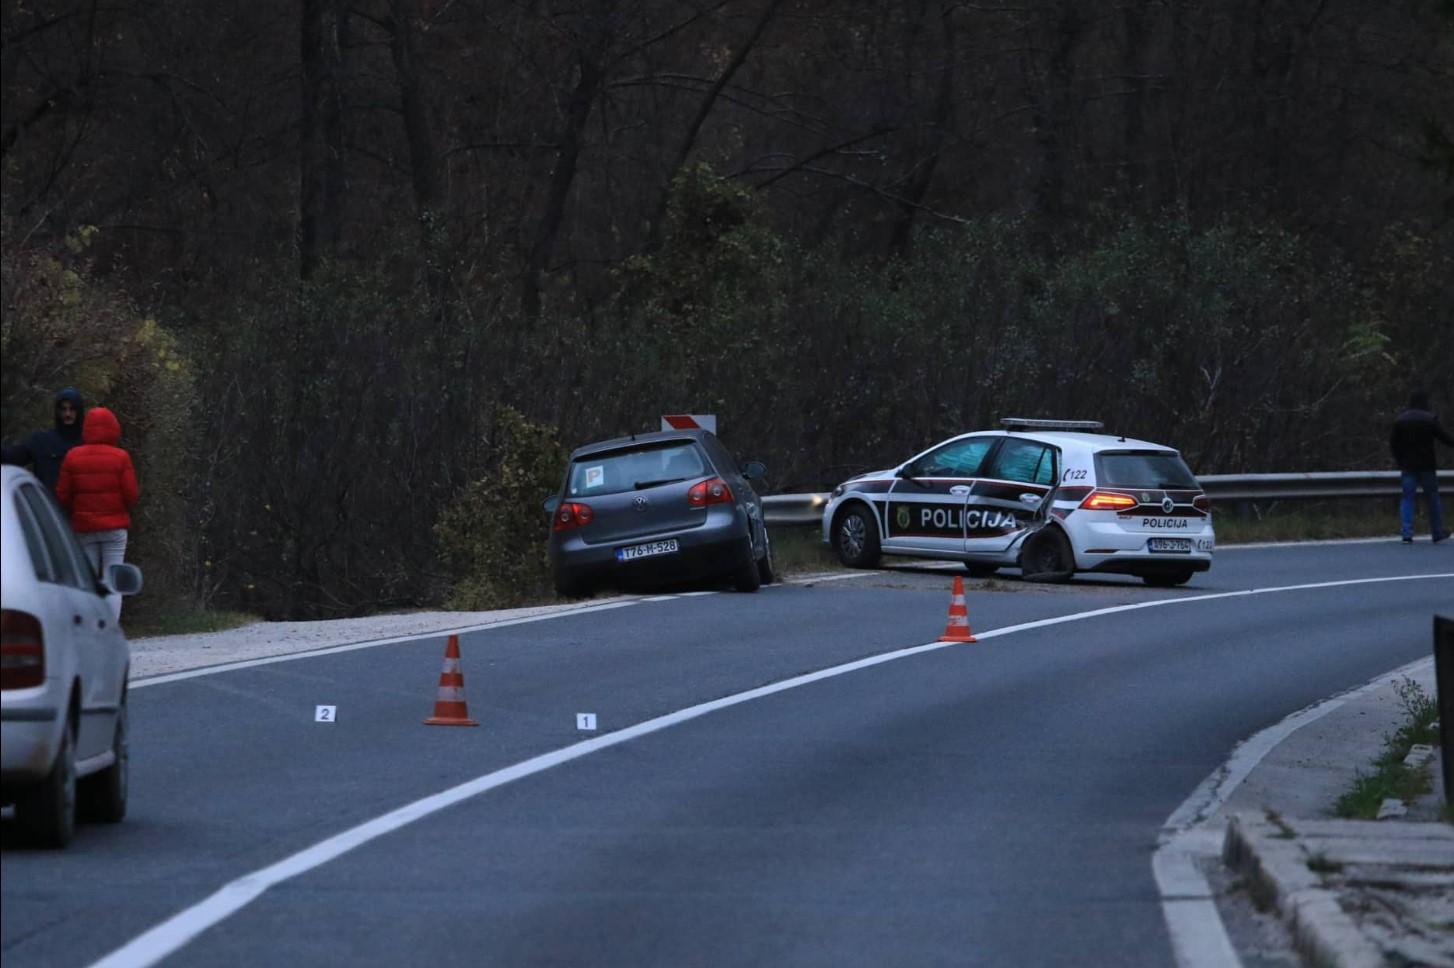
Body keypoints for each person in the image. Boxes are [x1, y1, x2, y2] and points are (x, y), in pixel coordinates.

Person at [57, 406, 140, 618]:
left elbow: (62, 495)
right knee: (113, 579)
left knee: (88, 580)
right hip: (114, 527)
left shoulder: (73, 456)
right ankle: (111, 627)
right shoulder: (121, 457)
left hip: (84, 527)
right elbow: (131, 494)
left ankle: (91, 626)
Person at [1390, 389, 1453, 544]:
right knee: (1432, 498)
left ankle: (1407, 533)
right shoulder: (1430, 419)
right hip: (1427, 465)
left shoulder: (1401, 420)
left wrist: (1399, 460)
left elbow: (1393, 443)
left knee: (1407, 498)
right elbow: (1444, 438)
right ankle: (1437, 532)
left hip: (1408, 465)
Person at [0, 387, 86, 492]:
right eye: (63, 409)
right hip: (48, 506)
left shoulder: (88, 442)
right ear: (58, 411)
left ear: (79, 411)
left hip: (81, 507)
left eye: (72, 409)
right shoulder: (42, 441)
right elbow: (12, 456)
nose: (67, 414)